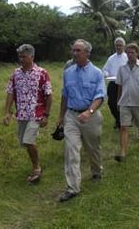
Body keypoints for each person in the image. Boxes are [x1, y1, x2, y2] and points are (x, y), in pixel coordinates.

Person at [56, 39, 106, 202]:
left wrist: (89, 111)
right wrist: (61, 117)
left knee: (93, 148)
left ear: (87, 53)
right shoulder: (68, 72)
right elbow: (65, 95)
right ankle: (72, 187)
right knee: (71, 151)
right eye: (73, 50)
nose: (74, 53)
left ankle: (96, 171)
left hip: (90, 116)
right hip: (71, 116)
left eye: (78, 51)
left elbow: (100, 96)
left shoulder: (97, 73)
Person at [3, 44, 52, 183]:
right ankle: (35, 163)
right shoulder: (16, 73)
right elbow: (11, 92)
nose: (21, 59)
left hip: (36, 113)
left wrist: (46, 115)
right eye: (19, 56)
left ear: (32, 56)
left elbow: (49, 95)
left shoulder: (42, 73)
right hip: (21, 114)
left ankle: (37, 168)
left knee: (28, 140)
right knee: (24, 142)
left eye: (24, 56)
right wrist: (7, 112)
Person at [115, 43, 139, 161]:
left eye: (132, 52)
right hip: (125, 102)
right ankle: (123, 152)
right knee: (124, 127)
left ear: (137, 53)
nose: (130, 55)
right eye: (128, 52)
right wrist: (118, 100)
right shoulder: (122, 68)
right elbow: (119, 86)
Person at [102, 37, 128, 129]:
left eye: (120, 45)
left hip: (124, 84)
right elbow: (105, 70)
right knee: (111, 103)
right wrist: (106, 74)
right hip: (113, 83)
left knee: (123, 103)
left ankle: (124, 121)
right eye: (117, 45)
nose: (118, 47)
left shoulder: (127, 57)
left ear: (123, 46)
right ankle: (118, 119)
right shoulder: (111, 58)